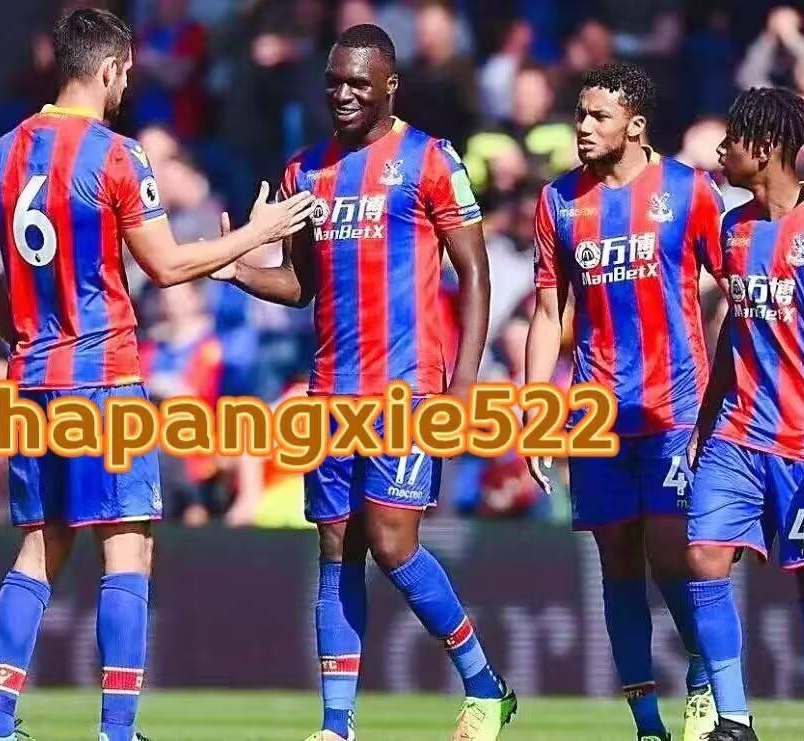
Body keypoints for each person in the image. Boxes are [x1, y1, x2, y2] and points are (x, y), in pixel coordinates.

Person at [0, 9, 314, 741]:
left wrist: (18, 334)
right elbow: (168, 264)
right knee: (127, 546)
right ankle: (116, 730)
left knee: (40, 545)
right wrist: (258, 233)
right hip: (103, 377)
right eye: (125, 75)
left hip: (33, 376)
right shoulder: (116, 154)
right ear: (111, 69)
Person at [212, 23, 513, 741]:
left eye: (358, 82)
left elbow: (474, 272)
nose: (343, 94)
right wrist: (234, 267)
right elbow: (300, 285)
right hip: (330, 391)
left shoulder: (430, 159)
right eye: (333, 82)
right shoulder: (304, 172)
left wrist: (464, 382)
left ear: (389, 86)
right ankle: (336, 724)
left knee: (392, 540)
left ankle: (484, 685)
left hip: (406, 387)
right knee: (336, 545)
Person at [525, 62, 722, 741]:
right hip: (595, 414)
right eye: (579, 114)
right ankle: (645, 724)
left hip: (675, 407)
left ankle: (704, 682)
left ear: (634, 126)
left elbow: (733, 286)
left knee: (672, 555)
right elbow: (547, 312)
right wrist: (537, 411)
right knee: (616, 563)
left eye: (597, 117)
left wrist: (729, 389)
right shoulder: (558, 201)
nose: (582, 126)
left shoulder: (689, 190)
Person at [687, 87, 804, 741]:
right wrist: (706, 416)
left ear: (765, 147)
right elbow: (733, 329)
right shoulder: (731, 229)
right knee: (703, 556)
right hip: (736, 433)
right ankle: (734, 719)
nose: (720, 151)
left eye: (731, 140)